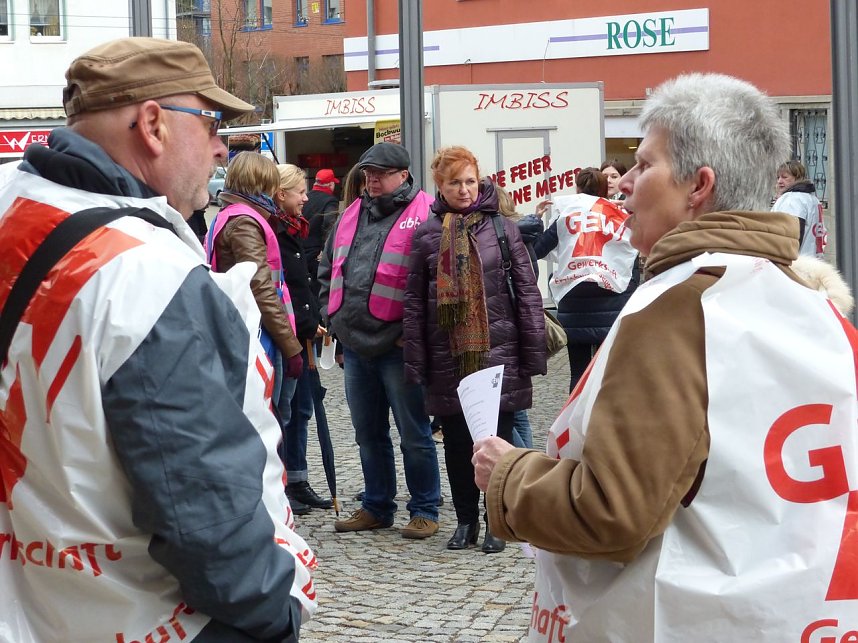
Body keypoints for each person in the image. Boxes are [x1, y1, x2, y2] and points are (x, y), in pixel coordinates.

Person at [473, 73, 858, 640]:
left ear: (698, 186)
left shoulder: (679, 311)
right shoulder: (816, 308)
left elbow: (611, 511)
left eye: (644, 164)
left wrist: (507, 475)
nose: (625, 182)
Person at [0, 37, 315, 641]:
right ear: (152, 125)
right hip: (143, 616)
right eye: (212, 123)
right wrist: (277, 613)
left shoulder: (15, 202)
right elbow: (204, 511)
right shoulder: (147, 274)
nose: (221, 147)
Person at [404, 146, 547, 553]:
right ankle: (465, 520)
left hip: (498, 350)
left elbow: (527, 292)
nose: (464, 190)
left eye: (470, 181)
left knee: (497, 438)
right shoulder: (427, 235)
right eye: (455, 183)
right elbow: (414, 302)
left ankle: (496, 521)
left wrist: (532, 351)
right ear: (440, 185)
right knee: (455, 442)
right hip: (447, 352)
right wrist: (416, 362)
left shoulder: (502, 228)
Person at [318, 142, 442, 539]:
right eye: (368, 173)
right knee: (367, 433)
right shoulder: (351, 214)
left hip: (398, 346)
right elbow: (328, 267)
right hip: (355, 344)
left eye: (381, 174)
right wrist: (332, 317)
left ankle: (424, 508)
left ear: (403, 175)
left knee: (414, 434)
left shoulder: (427, 215)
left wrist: (414, 333)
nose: (371, 180)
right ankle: (376, 505)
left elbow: (437, 282)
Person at [206, 151, 304, 416]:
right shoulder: (245, 222)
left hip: (245, 328)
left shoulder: (228, 215)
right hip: (259, 334)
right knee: (271, 418)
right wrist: (291, 347)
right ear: (263, 182)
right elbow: (261, 288)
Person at [532, 167, 639, 391]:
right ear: (604, 189)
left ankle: (575, 415)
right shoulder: (618, 216)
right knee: (608, 374)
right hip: (610, 304)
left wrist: (535, 220)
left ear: (578, 189)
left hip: (574, 304)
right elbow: (631, 258)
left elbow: (537, 250)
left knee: (578, 374)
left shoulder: (566, 216)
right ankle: (604, 413)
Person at [273, 163, 333, 514]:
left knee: (301, 410)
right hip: (287, 336)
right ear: (282, 194)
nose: (307, 198)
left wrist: (313, 320)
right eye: (300, 192)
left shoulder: (293, 227)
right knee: (286, 412)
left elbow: (302, 283)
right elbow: (283, 289)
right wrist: (305, 322)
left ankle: (297, 479)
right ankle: (282, 484)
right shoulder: (273, 231)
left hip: (303, 331)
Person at [496, 185, 546, 450]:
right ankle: (527, 461)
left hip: (505, 326)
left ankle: (520, 461)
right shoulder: (522, 234)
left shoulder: (503, 236)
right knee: (517, 410)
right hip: (517, 326)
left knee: (503, 411)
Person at [772, 159, 827, 257]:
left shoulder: (793, 199)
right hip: (812, 259)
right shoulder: (813, 199)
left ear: (797, 178)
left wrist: (785, 258)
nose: (779, 181)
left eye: (784, 177)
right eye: (778, 177)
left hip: (796, 261)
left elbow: (792, 234)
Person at [302, 168, 340, 292]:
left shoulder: (305, 197)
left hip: (302, 252)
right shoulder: (331, 201)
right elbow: (329, 225)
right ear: (330, 184)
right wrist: (326, 251)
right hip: (317, 256)